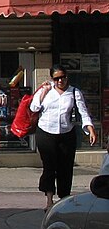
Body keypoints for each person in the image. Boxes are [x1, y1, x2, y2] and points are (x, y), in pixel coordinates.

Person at [30, 65, 97, 210]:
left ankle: (64, 199)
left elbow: (83, 112)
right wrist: (43, 92)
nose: (60, 81)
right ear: (52, 79)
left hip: (66, 133)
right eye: (56, 78)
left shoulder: (74, 92)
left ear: (67, 76)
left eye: (62, 77)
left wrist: (90, 129)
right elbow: (34, 108)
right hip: (46, 132)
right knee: (49, 166)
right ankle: (49, 201)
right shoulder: (46, 90)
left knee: (65, 167)